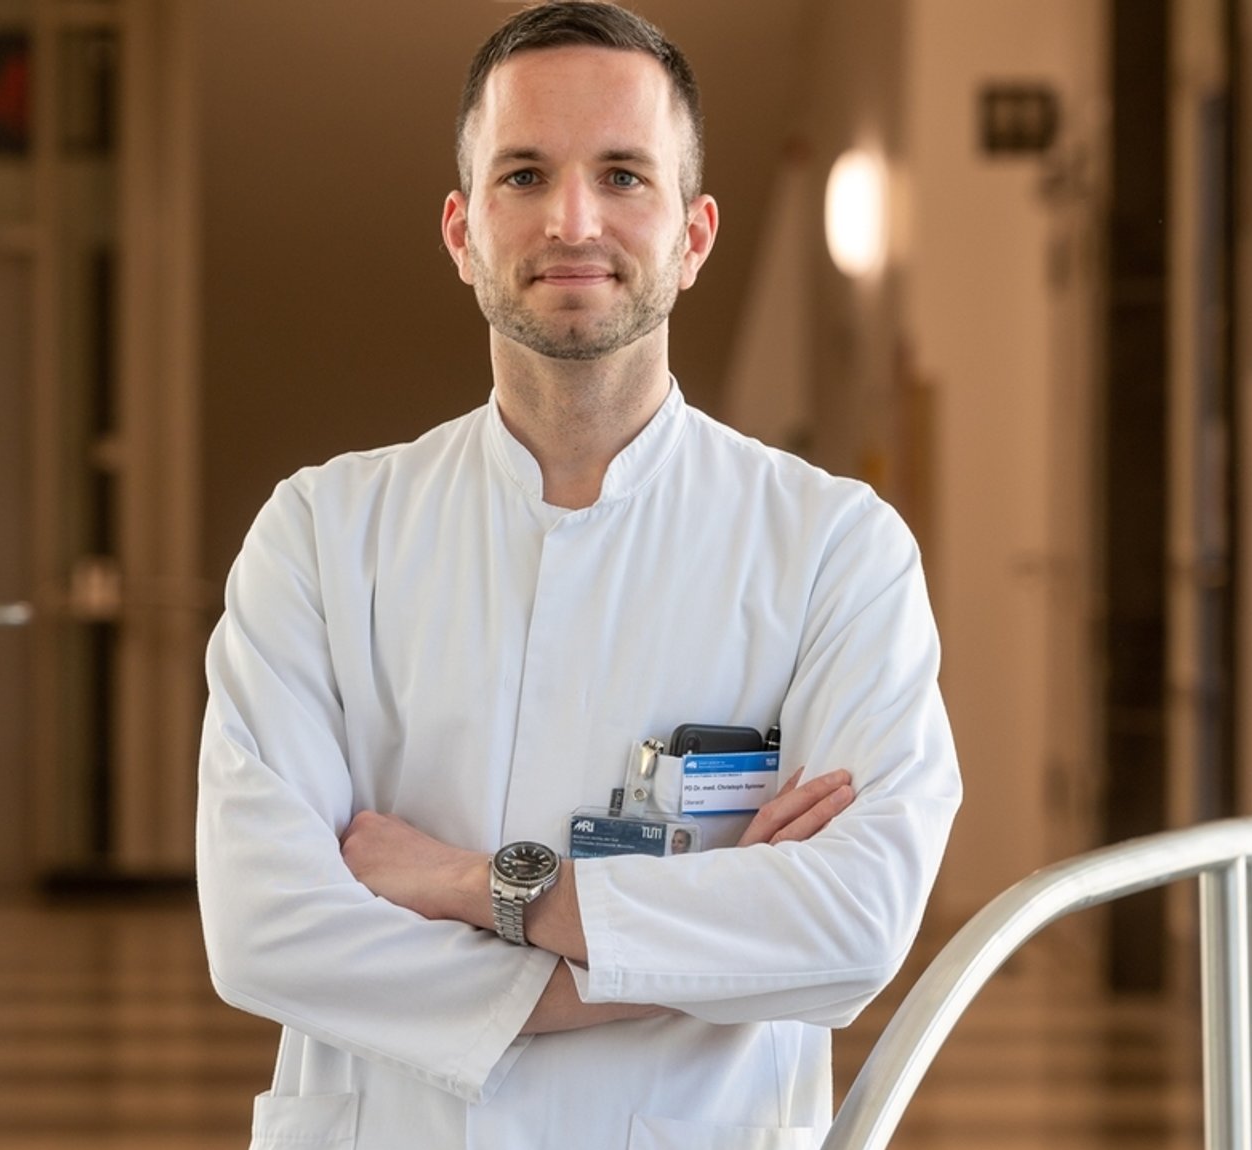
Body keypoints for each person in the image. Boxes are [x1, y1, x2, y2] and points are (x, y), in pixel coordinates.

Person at [196, 3, 961, 1147]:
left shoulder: (834, 549)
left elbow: (853, 919)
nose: (570, 219)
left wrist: (480, 886)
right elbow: (263, 925)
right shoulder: (320, 532)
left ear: (694, 234)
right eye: (521, 174)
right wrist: (678, 953)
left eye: (621, 174)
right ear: (459, 231)